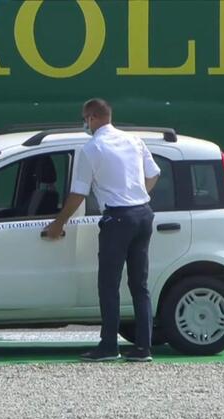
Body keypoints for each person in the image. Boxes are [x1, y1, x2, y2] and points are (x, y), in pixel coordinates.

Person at [42, 98, 161, 362]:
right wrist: (137, 195)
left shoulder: (92, 148)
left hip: (118, 219)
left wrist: (58, 224)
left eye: (85, 118)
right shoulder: (134, 141)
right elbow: (154, 173)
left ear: (93, 117)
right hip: (143, 214)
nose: (84, 124)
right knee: (139, 285)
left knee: (109, 284)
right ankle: (143, 348)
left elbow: (77, 194)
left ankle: (109, 345)